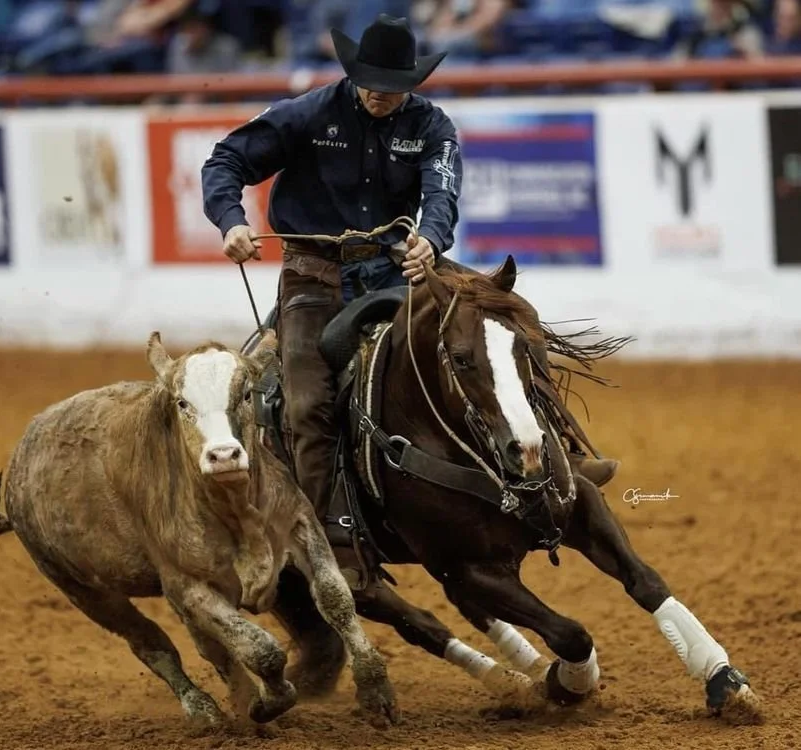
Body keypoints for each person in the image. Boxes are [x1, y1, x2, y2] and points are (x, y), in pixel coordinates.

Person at [201, 14, 617, 586]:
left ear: (412, 83)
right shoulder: (307, 114)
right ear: (353, 75)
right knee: (308, 402)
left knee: (509, 318)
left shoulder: (431, 126)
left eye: (393, 85)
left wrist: (431, 240)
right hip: (314, 277)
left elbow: (441, 192)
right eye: (371, 83)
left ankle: (562, 457)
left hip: (396, 265)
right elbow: (226, 161)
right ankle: (329, 535)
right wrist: (230, 220)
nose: (380, 94)